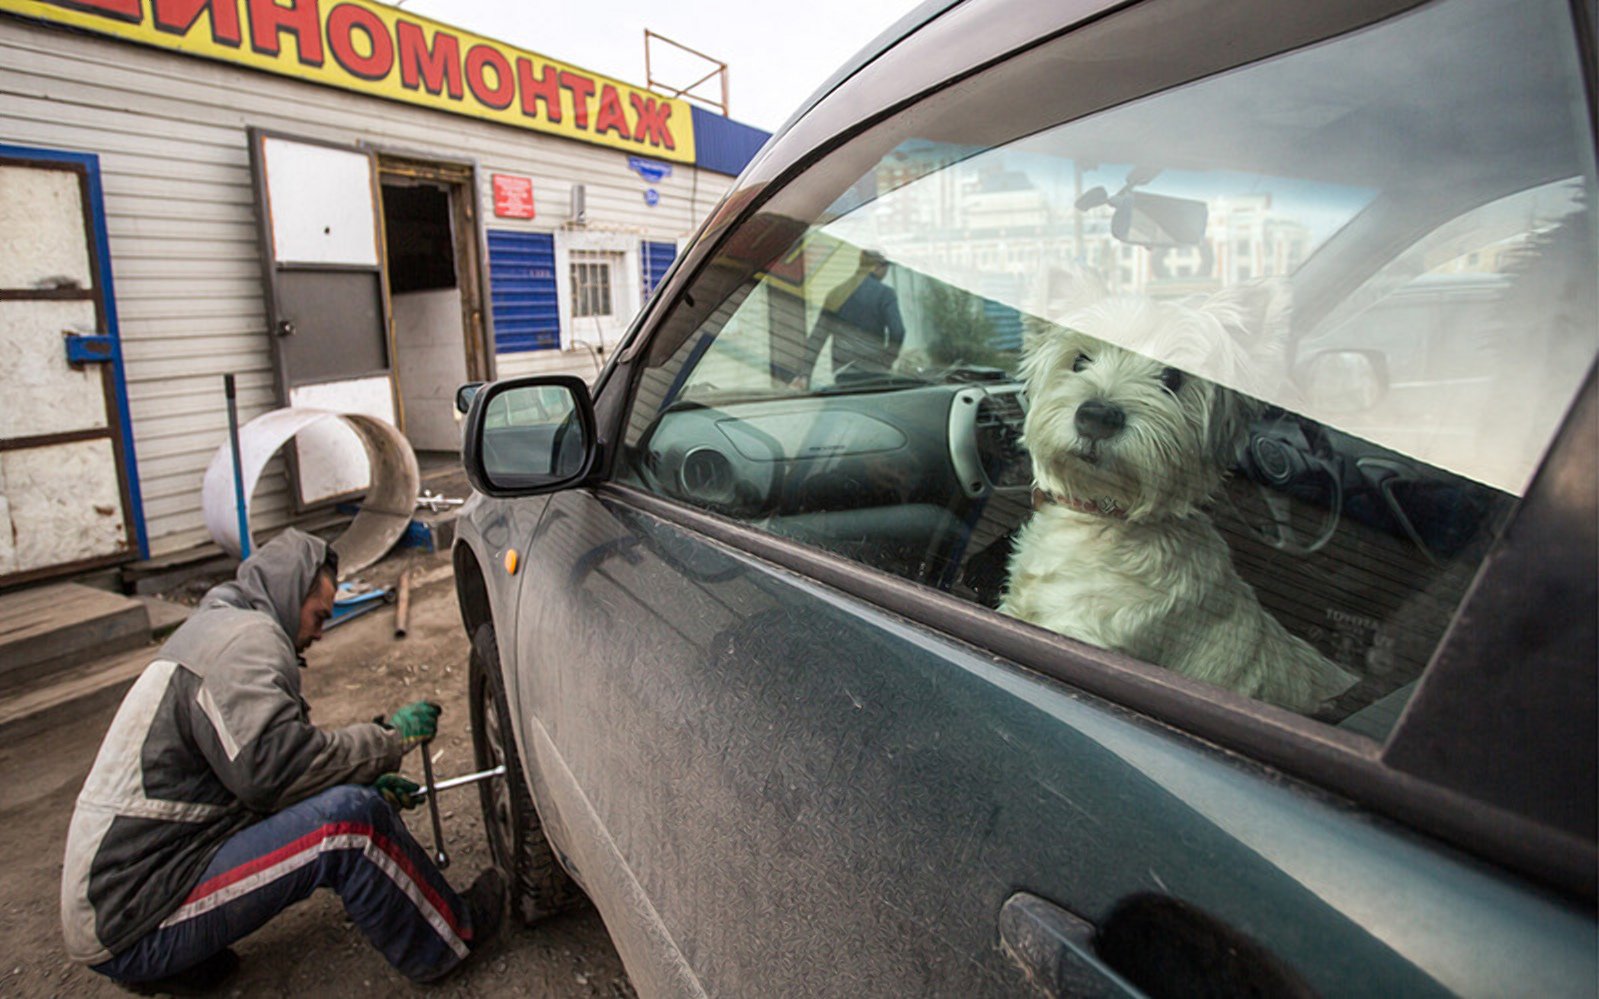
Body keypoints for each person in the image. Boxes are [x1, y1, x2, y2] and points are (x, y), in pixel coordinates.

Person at [60, 529, 504, 993]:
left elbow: (247, 778)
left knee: (346, 802)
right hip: (131, 918)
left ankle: (180, 964)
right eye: (318, 615)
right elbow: (276, 773)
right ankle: (447, 942)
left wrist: (360, 778)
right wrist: (388, 741)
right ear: (291, 593)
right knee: (352, 824)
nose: (318, 631)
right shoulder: (248, 643)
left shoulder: (217, 626)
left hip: (123, 902)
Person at [796, 248, 907, 385]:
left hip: (844, 372)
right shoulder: (885, 294)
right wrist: (887, 360)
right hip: (875, 372)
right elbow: (898, 331)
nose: (886, 272)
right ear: (877, 266)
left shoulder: (836, 293)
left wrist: (805, 374)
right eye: (886, 267)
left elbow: (817, 338)